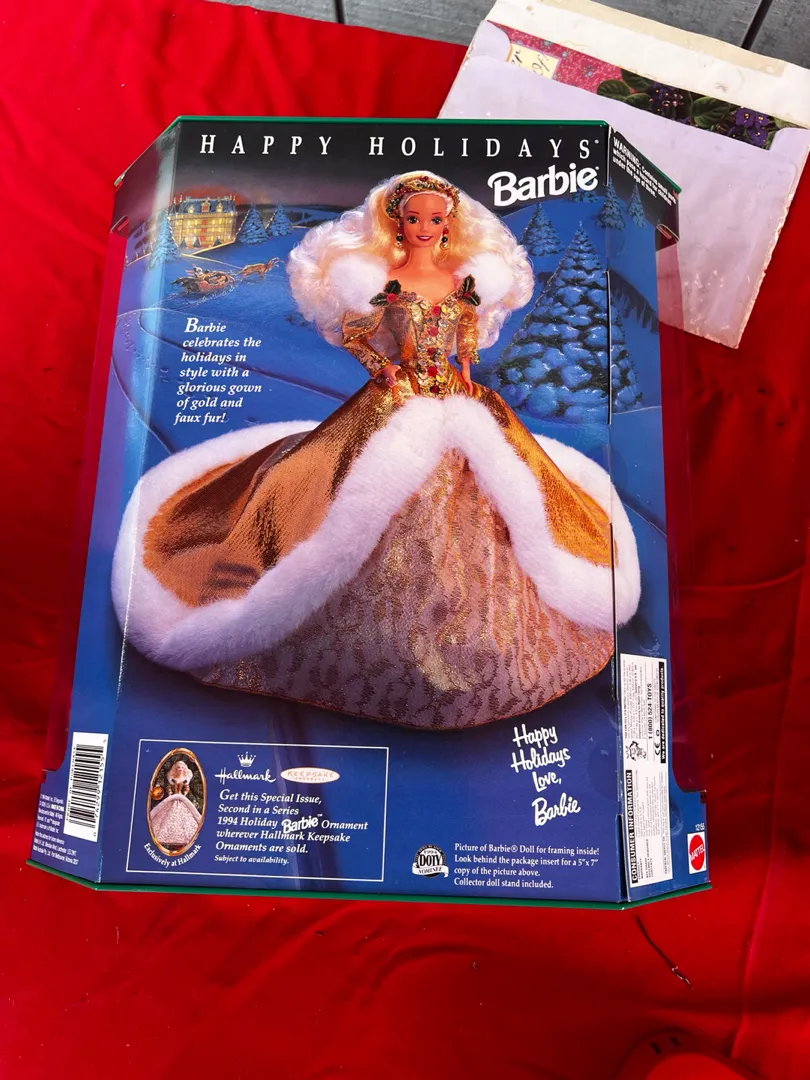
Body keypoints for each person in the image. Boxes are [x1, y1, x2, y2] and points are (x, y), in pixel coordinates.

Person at [112, 170, 641, 729]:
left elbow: (466, 333)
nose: (424, 228)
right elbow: (356, 333)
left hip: (457, 397)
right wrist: (383, 369)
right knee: (349, 489)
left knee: (505, 491)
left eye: (435, 219)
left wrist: (466, 367)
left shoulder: (461, 282)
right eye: (414, 218)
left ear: (449, 225)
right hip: (396, 400)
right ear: (397, 223)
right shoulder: (384, 283)